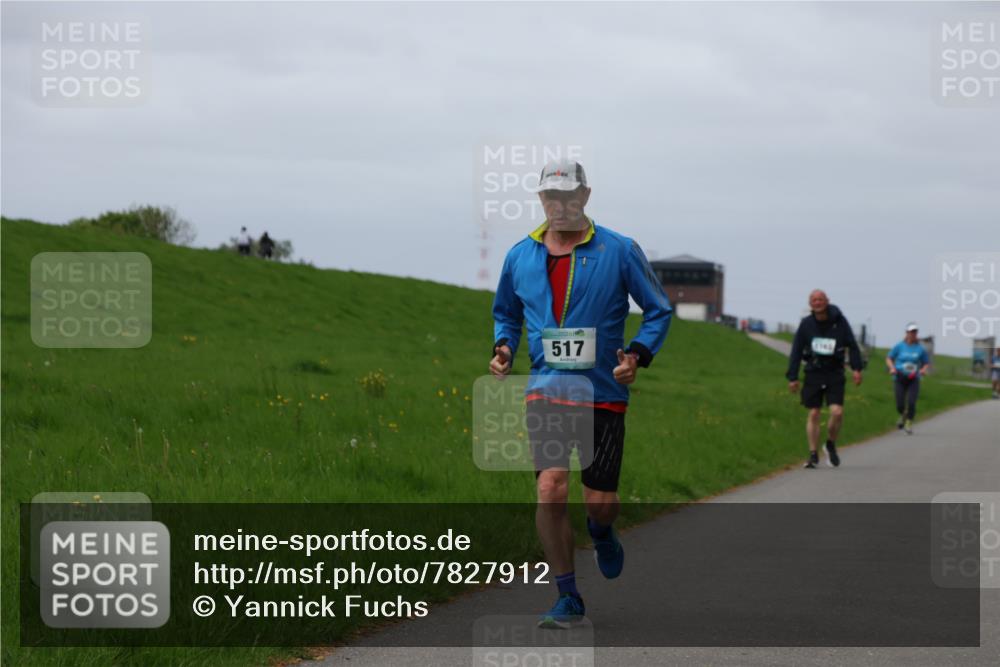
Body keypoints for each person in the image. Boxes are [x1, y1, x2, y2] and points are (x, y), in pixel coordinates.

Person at [490, 159, 672, 628]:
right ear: (541, 200)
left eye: (569, 197)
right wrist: (504, 348)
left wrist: (636, 354)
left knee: (599, 503)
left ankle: (603, 531)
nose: (560, 206)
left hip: (603, 392)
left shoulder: (619, 249)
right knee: (550, 489)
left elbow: (658, 310)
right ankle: (567, 595)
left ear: (585, 197)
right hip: (547, 390)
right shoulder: (519, 256)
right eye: (551, 198)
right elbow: (506, 313)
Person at [786, 290, 864, 468]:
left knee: (837, 412)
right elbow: (796, 351)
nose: (817, 302)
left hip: (834, 372)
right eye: (814, 300)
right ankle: (813, 454)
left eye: (820, 299)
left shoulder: (840, 321)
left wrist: (857, 368)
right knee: (813, 413)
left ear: (827, 301)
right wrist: (793, 377)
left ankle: (830, 443)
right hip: (814, 372)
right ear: (810, 304)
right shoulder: (806, 324)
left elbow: (852, 345)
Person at [886, 323, 931, 434]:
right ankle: (903, 415)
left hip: (914, 378)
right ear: (907, 333)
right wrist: (892, 368)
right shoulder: (899, 346)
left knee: (911, 402)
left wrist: (923, 370)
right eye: (911, 332)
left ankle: (909, 423)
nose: (913, 334)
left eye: (915, 332)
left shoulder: (920, 349)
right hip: (900, 376)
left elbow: (926, 362)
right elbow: (889, 358)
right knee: (900, 404)